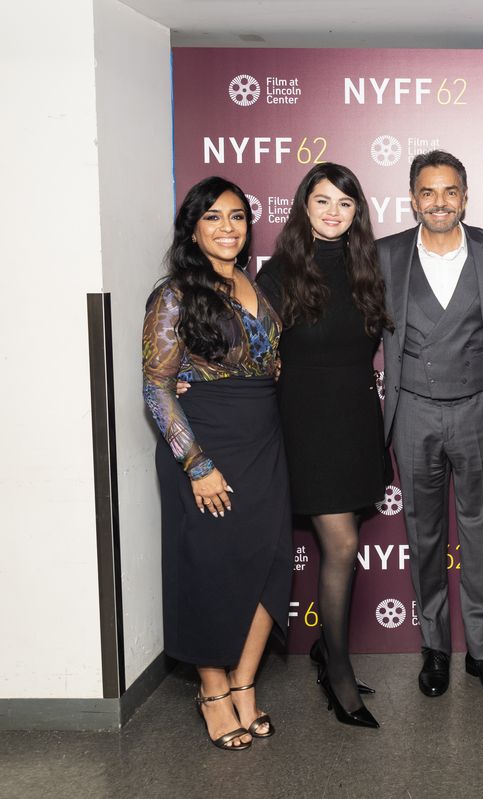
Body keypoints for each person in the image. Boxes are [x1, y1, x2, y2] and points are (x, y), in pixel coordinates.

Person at [142, 176, 292, 750]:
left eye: (236, 216)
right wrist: (196, 463)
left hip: (264, 439)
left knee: (271, 560)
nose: (227, 227)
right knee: (209, 566)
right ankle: (212, 691)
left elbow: (263, 357)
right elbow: (157, 385)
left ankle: (245, 684)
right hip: (208, 440)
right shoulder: (175, 294)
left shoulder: (255, 284)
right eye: (213, 217)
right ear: (193, 228)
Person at [378, 150, 483, 698]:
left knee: (482, 532)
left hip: (479, 408)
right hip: (413, 409)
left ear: (465, 196)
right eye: (428, 192)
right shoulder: (386, 255)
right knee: (423, 533)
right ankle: (435, 648)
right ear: (412, 199)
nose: (439, 202)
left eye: (450, 191)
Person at [255, 163, 392, 728]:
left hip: (358, 421)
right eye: (322, 202)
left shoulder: (368, 267)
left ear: (357, 212)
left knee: (345, 543)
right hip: (306, 426)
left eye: (345, 203)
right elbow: (250, 351)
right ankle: (337, 673)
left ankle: (323, 648)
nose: (333, 212)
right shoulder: (278, 273)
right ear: (303, 207)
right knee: (340, 545)